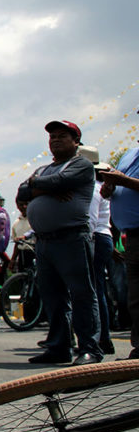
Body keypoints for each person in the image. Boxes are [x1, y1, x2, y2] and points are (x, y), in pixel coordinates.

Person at [17, 120, 102, 366]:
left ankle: (89, 348)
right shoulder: (44, 169)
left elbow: (52, 184)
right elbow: (22, 192)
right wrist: (41, 187)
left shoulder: (81, 165)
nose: (55, 140)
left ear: (76, 141)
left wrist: (38, 186)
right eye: (52, 136)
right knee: (53, 296)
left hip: (72, 237)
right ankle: (58, 346)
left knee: (82, 294)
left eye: (62, 136)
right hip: (44, 242)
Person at [98, 141, 139, 359]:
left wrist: (122, 181)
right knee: (135, 297)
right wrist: (110, 187)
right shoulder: (130, 154)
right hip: (132, 235)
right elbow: (114, 190)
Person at [80, 146, 116, 355]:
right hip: (100, 237)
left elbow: (90, 221)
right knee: (96, 288)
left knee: (94, 289)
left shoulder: (92, 188)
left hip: (96, 237)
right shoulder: (95, 186)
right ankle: (103, 337)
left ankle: (102, 337)